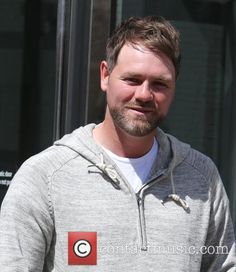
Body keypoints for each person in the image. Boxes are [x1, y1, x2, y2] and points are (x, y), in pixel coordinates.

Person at [0, 16, 235, 272]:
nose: (144, 94)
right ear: (105, 76)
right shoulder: (44, 177)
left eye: (159, 84)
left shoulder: (202, 177)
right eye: (132, 80)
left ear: (174, 88)